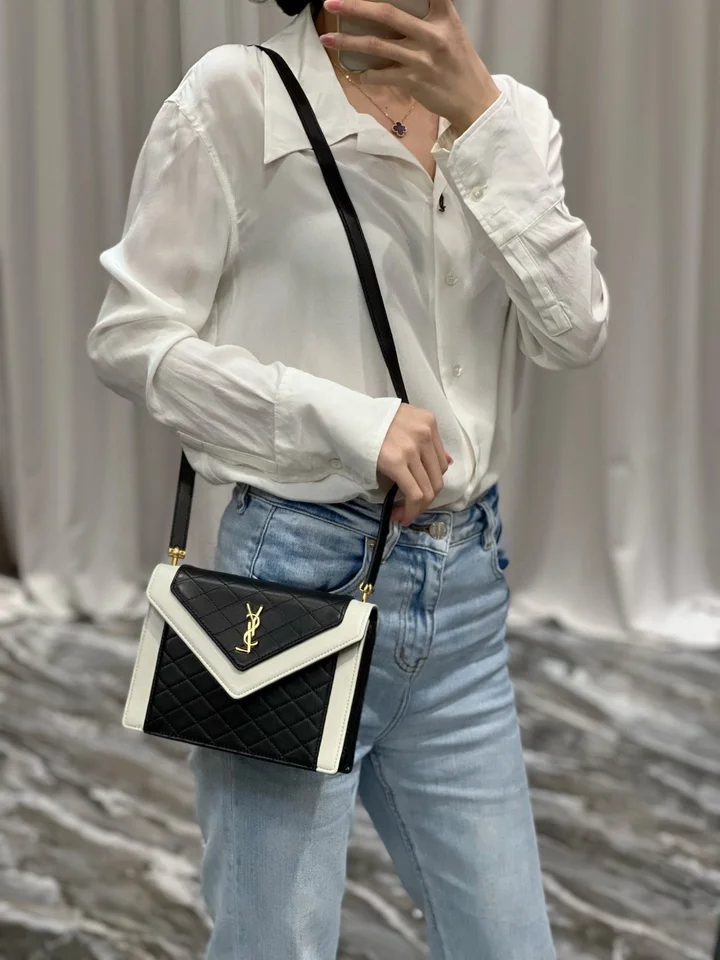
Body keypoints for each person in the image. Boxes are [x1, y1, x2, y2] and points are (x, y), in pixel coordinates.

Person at [87, 0, 609, 956]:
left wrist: (482, 118)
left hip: (462, 602)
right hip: (289, 591)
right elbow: (132, 341)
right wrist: (344, 420)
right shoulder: (239, 98)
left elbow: (573, 332)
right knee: (274, 944)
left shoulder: (514, 118)